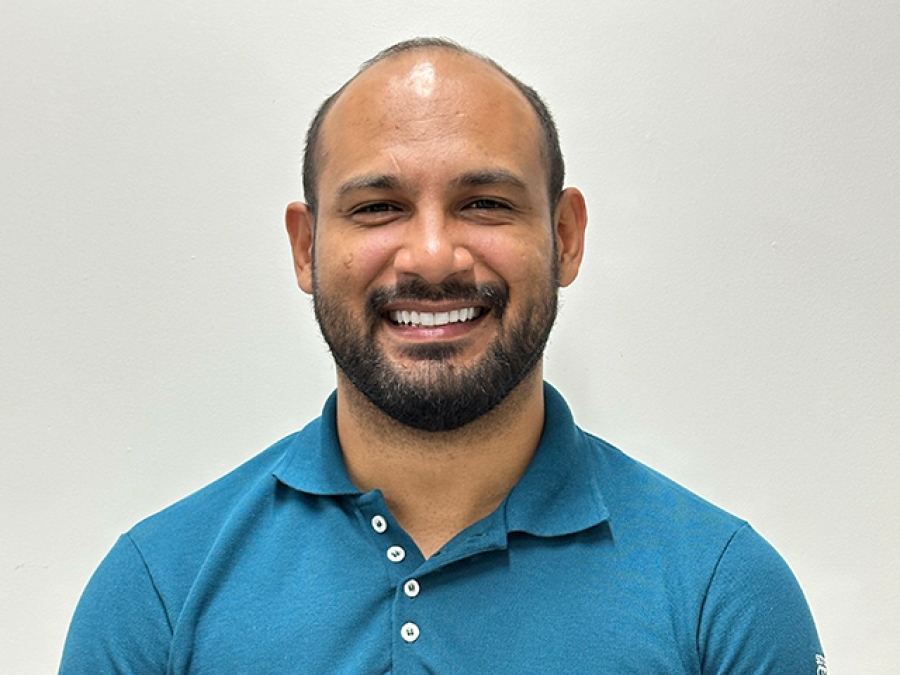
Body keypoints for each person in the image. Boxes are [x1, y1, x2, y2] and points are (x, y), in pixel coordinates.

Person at [59, 38, 825, 674]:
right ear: (306, 246)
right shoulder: (156, 594)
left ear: (565, 237)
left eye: (484, 203)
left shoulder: (723, 595)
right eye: (378, 208)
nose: (431, 255)